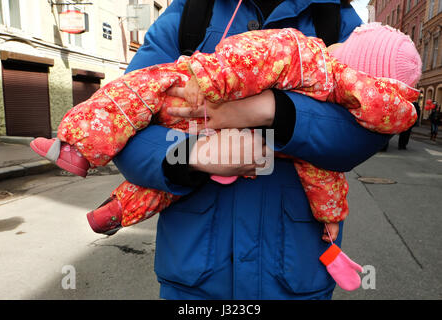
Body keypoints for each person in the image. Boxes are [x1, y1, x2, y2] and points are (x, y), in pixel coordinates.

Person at [69, 0, 395, 299]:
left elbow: (377, 123)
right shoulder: (192, 12)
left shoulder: (336, 18)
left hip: (296, 277)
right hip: (196, 280)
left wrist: (274, 111)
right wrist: (192, 155)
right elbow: (129, 112)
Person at [30, 22, 420, 238]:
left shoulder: (308, 51)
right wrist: (331, 214)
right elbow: (325, 170)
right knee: (177, 178)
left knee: (135, 92)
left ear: (349, 53)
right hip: (246, 178)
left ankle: (80, 147)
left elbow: (245, 62)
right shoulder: (190, 13)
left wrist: (243, 100)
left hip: (193, 100)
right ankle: (117, 208)